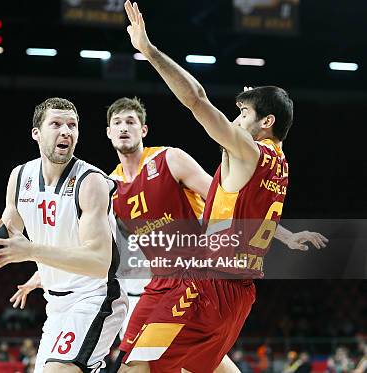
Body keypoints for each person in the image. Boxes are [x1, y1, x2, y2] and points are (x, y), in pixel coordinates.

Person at [116, 1, 328, 372]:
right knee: (205, 366)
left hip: (208, 286)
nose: (235, 119)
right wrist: (288, 237)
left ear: (267, 123)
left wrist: (149, 52)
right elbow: (249, 215)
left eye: (244, 114)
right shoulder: (280, 164)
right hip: (238, 293)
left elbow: (196, 99)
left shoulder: (249, 152)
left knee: (137, 364)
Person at [0, 97, 129, 373]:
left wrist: (32, 251)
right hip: (56, 304)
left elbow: (99, 262)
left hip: (96, 296)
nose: (66, 131)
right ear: (36, 133)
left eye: (72, 125)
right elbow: (8, 233)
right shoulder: (20, 176)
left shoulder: (91, 182)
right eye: (56, 124)